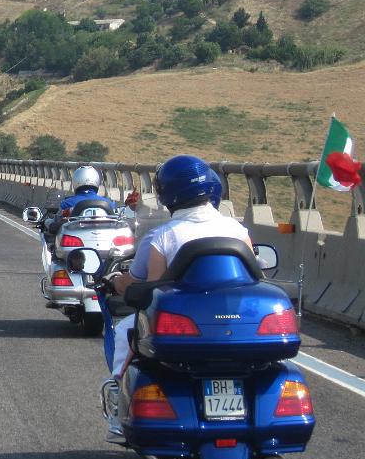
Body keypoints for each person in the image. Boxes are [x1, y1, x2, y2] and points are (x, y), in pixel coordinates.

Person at [102, 155, 251, 439]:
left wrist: (119, 281)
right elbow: (254, 279)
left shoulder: (163, 237)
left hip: (184, 328)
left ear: (168, 193)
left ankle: (118, 409)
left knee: (123, 333)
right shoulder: (238, 231)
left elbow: (151, 289)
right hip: (235, 325)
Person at [44, 166, 116, 242]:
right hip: (104, 240)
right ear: (97, 181)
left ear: (75, 181)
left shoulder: (67, 203)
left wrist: (47, 222)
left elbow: (57, 222)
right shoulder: (109, 203)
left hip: (77, 240)